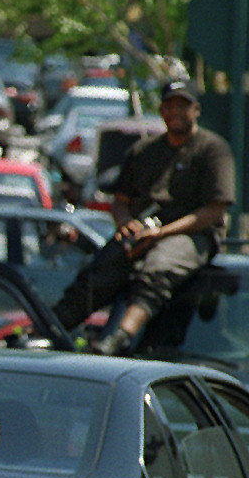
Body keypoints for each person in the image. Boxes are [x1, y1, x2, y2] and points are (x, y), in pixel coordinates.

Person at [51, 78, 235, 355]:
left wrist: (161, 234)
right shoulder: (143, 151)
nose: (174, 112)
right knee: (101, 267)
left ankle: (118, 339)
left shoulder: (212, 149)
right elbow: (120, 202)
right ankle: (48, 330)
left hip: (192, 234)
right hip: (144, 232)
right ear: (161, 110)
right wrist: (127, 224)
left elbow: (215, 210)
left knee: (158, 267)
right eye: (169, 105)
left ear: (196, 109)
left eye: (182, 106)